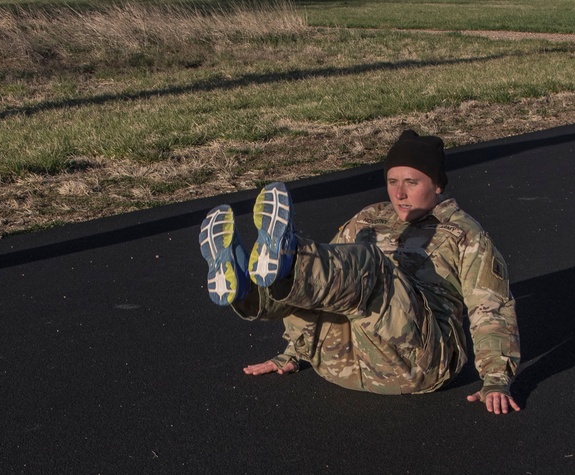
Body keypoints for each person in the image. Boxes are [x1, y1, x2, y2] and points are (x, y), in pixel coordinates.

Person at [200, 130, 521, 414]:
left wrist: (496, 379)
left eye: (412, 182)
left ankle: (282, 261)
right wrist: (291, 354)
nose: (399, 193)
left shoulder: (464, 234)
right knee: (330, 269)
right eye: (393, 182)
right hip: (337, 361)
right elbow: (328, 285)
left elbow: (490, 307)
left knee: (369, 265)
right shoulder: (370, 217)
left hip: (418, 360)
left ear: (437, 184)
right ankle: (248, 290)